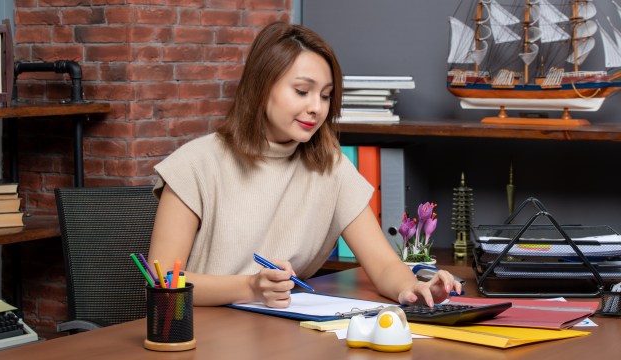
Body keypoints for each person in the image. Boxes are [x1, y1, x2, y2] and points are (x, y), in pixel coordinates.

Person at [148, 21, 462, 308]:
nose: (316, 108)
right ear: (260, 88)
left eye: (325, 96)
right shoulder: (194, 165)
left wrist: (413, 288)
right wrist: (250, 287)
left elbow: (382, 264)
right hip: (198, 333)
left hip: (279, 331)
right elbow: (163, 281)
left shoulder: (330, 166)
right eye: (302, 91)